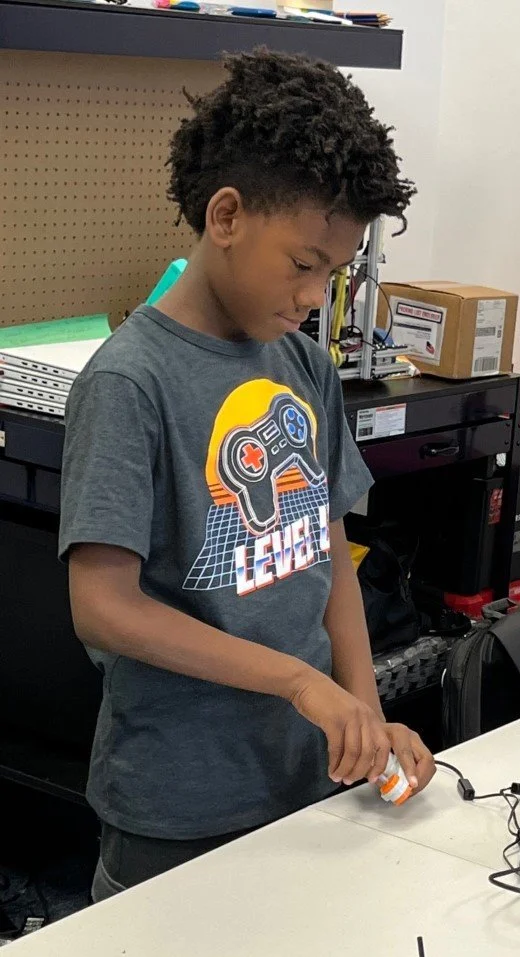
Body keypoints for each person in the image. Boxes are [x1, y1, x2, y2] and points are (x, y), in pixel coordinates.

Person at [58, 49, 434, 902]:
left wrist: (363, 710)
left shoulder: (302, 363)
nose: (315, 293)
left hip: (303, 779)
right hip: (178, 806)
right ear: (225, 216)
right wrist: (302, 681)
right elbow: (104, 607)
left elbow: (329, 546)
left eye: (333, 272)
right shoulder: (130, 382)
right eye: (302, 264)